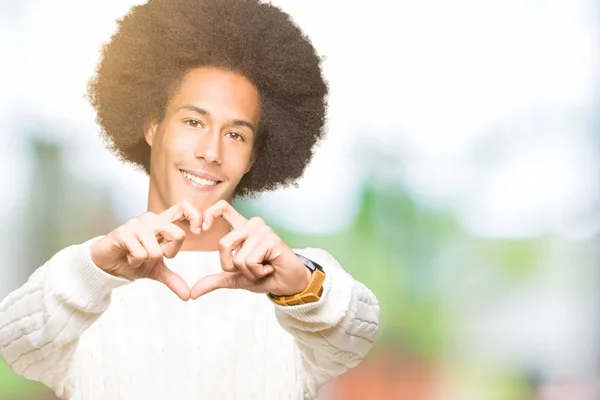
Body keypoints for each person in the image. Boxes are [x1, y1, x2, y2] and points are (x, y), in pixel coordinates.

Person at [0, 0, 380, 399]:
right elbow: (15, 341)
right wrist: (95, 270)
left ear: (252, 157)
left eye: (235, 134)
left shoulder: (290, 290)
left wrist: (300, 285)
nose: (211, 151)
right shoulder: (90, 278)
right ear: (151, 125)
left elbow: (356, 333)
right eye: (193, 121)